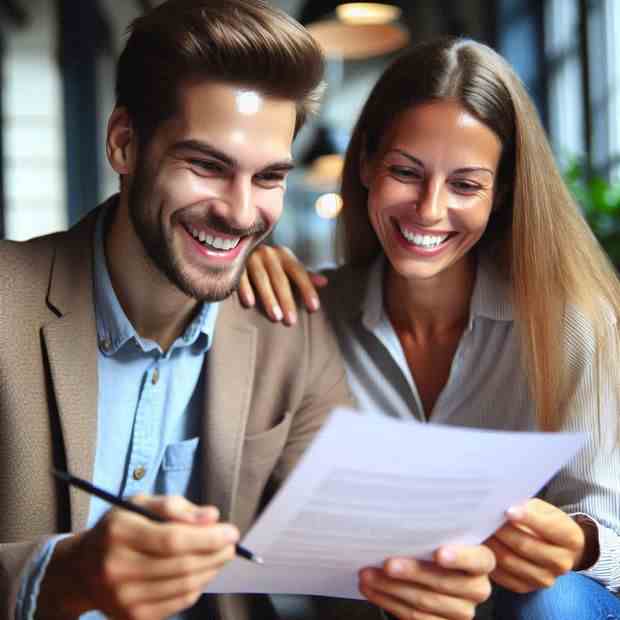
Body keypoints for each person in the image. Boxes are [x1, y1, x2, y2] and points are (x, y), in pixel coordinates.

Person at [0, 5, 496, 620]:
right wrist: (56, 576)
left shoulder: (289, 328)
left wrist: (416, 581)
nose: (240, 213)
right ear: (124, 143)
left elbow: (346, 553)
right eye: (207, 166)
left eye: (268, 177)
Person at [240, 36, 620, 620]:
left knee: (556, 600)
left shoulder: (573, 322)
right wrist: (235, 266)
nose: (430, 210)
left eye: (465, 184)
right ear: (365, 164)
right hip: (366, 607)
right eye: (405, 172)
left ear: (502, 195)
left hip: (517, 609)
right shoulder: (306, 312)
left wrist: (579, 543)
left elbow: (611, 535)